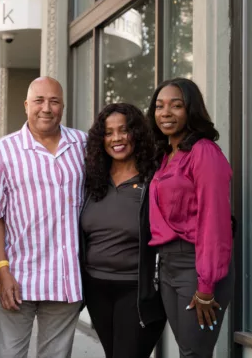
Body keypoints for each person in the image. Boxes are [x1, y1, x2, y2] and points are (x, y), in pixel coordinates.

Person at [0, 77, 86, 358]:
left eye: (54, 101)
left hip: (66, 280)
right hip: (18, 278)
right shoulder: (3, 151)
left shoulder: (83, 145)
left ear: (62, 106)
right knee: (9, 355)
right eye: (39, 101)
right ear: (26, 105)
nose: (46, 108)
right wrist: (2, 271)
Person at [147, 78, 234, 357]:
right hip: (169, 264)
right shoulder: (167, 156)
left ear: (191, 110)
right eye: (159, 106)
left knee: (194, 354)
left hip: (197, 267)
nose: (166, 113)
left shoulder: (204, 152)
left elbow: (215, 222)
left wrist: (206, 285)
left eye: (176, 105)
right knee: (186, 350)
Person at [80, 103, 166, 358]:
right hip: (96, 289)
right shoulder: (93, 179)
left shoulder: (154, 178)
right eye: (108, 132)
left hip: (136, 289)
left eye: (124, 130)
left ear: (136, 134)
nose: (116, 138)